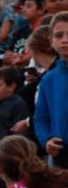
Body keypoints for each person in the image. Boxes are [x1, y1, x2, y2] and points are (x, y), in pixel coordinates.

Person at [35, 12, 68, 170]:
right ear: (51, 41)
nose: (65, 40)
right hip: (61, 156)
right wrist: (46, 140)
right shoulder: (49, 79)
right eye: (59, 35)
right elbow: (41, 118)